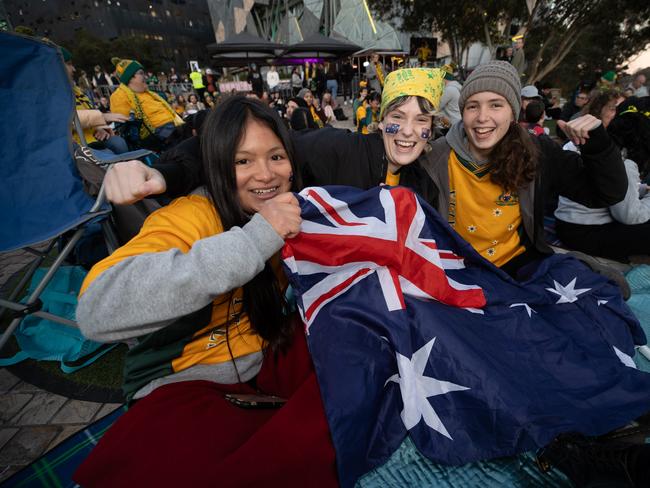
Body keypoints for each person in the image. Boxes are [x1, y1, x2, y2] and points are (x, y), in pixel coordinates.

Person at [73, 96, 337, 487]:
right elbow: (96, 310)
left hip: (266, 357)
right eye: (242, 161)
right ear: (217, 166)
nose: (265, 175)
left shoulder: (295, 205)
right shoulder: (192, 215)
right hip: (188, 382)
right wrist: (256, 239)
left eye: (276, 157)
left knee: (353, 366)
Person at [554, 93, 650, 261]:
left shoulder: (606, 147)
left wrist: (640, 190)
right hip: (585, 232)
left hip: (569, 223)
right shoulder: (625, 160)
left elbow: (603, 187)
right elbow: (629, 215)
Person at [62, 47, 129, 154]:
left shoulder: (76, 90)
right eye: (69, 64)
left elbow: (88, 111)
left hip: (93, 136)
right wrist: (102, 117)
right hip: (77, 144)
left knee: (119, 143)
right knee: (111, 152)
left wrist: (99, 127)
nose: (74, 69)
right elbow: (64, 120)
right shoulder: (52, 93)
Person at [109, 57, 184, 149]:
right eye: (141, 73)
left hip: (173, 126)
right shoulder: (119, 96)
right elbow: (124, 127)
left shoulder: (149, 93)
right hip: (157, 134)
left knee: (200, 118)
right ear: (130, 77)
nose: (145, 76)